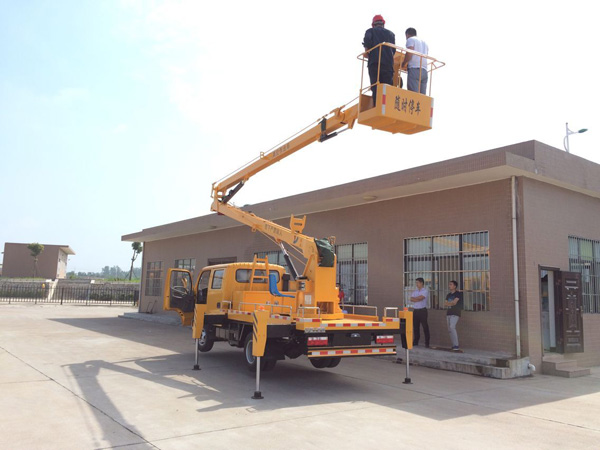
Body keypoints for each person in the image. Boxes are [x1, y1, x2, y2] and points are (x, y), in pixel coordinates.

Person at [362, 15, 395, 105]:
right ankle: (387, 106)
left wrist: (370, 56)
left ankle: (377, 106)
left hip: (375, 63)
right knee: (387, 87)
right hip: (388, 65)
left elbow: (367, 47)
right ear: (383, 24)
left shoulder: (370, 31)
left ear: (373, 24)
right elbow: (393, 51)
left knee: (376, 86)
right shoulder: (391, 34)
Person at [402, 27, 429, 94]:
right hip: (424, 71)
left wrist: (403, 63)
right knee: (422, 97)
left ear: (407, 35)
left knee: (413, 95)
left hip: (414, 69)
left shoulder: (410, 39)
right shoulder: (424, 43)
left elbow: (409, 53)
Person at [410, 277, 430, 347]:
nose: (416, 284)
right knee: (415, 327)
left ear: (421, 283)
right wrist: (417, 299)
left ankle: (427, 342)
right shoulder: (415, 291)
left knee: (425, 326)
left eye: (417, 283)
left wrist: (416, 299)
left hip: (422, 310)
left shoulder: (425, 291)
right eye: (416, 283)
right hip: (415, 310)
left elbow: (421, 298)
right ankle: (416, 341)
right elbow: (411, 299)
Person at [444, 280, 463, 351]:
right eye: (449, 284)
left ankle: (456, 345)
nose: (449, 286)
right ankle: (454, 345)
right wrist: (450, 303)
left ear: (455, 286)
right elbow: (445, 304)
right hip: (449, 313)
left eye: (451, 284)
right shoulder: (448, 295)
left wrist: (450, 303)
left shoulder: (458, 293)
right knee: (450, 330)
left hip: (455, 313)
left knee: (452, 327)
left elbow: (454, 303)